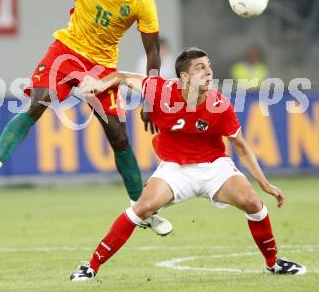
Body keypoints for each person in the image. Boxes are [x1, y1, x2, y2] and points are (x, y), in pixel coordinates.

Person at [0, 0, 172, 236]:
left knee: (118, 137)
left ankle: (142, 208)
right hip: (66, 51)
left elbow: (153, 53)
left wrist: (150, 98)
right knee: (37, 103)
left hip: (101, 67)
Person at [70, 47, 306, 281]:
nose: (209, 72)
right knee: (142, 209)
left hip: (215, 167)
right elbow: (121, 76)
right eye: (200, 68)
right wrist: (101, 84)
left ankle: (273, 263)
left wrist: (264, 184)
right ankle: (90, 266)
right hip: (175, 169)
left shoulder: (220, 106)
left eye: (209, 66)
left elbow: (241, 147)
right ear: (184, 76)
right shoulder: (161, 90)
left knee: (253, 203)